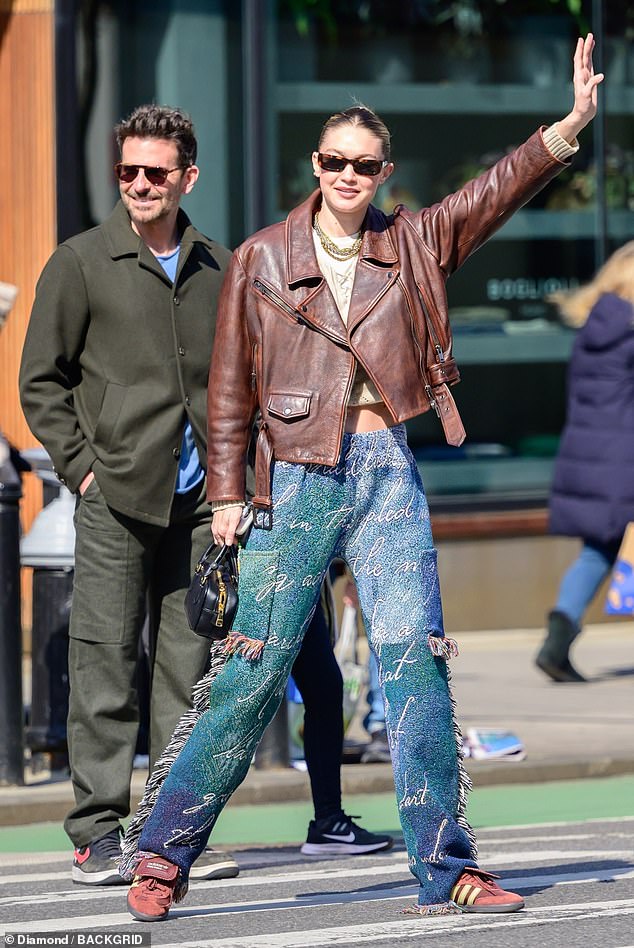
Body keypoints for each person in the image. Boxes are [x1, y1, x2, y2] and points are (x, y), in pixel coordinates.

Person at [121, 36, 602, 921]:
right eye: (335, 160)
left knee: (414, 663)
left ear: (384, 172)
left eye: (365, 164)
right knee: (253, 671)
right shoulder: (264, 258)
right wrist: (227, 494)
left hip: (387, 470)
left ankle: (447, 865)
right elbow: (228, 386)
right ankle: (162, 854)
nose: (348, 174)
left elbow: (489, 195)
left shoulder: (413, 242)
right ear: (316, 164)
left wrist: (566, 128)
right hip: (293, 480)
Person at [19, 104, 387, 887]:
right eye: (128, 172)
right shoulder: (79, 263)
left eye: (157, 172)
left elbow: (249, 382)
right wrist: (80, 465)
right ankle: (95, 833)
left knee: (189, 673)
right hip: (114, 497)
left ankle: (167, 831)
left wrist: (247, 485)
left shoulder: (224, 264)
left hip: (205, 509)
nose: (141, 185)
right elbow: (39, 382)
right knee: (106, 666)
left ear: (188, 176)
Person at [535, 241, 634, 683]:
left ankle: (558, 638)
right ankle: (557, 640)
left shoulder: (598, 322)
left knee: (599, 548)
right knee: (603, 548)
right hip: (624, 454)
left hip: (594, 454)